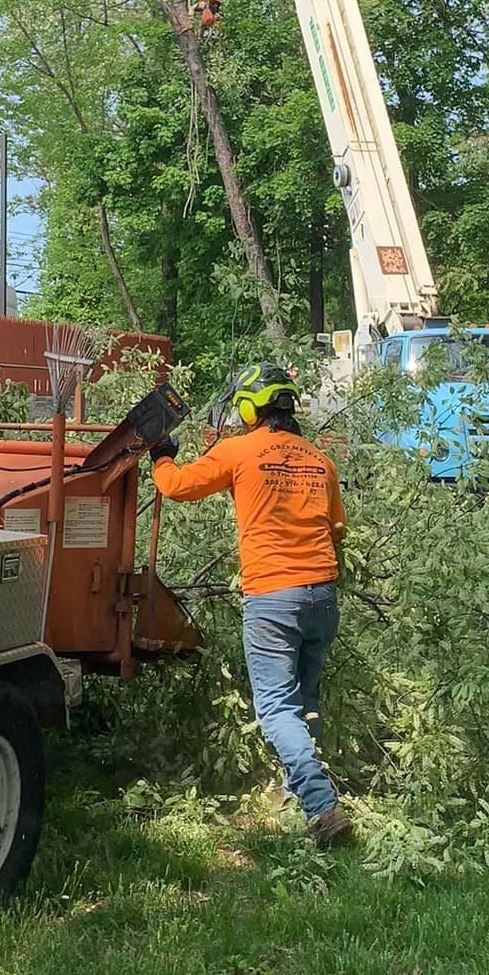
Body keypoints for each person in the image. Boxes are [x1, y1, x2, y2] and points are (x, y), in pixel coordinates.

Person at [150, 363, 353, 847]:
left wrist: (161, 455)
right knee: (306, 701)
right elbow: (337, 531)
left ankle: (322, 807)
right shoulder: (320, 461)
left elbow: (176, 487)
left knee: (276, 708)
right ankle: (295, 797)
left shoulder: (239, 450)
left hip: (272, 595)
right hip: (322, 593)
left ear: (249, 408)